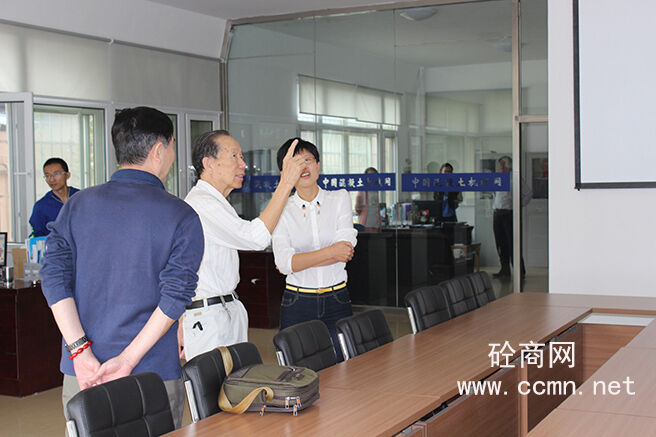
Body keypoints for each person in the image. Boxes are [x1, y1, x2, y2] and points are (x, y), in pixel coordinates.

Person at [40, 107, 204, 429]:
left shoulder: (76, 206)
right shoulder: (181, 216)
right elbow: (175, 297)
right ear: (159, 150)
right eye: (172, 146)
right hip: (151, 374)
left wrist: (80, 352)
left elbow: (54, 278)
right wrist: (127, 359)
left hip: (83, 373)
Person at [181, 130, 305, 360]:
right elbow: (255, 238)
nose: (243, 164)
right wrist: (286, 183)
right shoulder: (202, 204)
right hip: (209, 318)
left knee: (238, 381)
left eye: (242, 157)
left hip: (226, 310)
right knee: (215, 382)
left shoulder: (218, 202)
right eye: (234, 156)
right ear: (209, 164)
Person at [272, 138, 357, 362]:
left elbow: (345, 251)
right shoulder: (279, 210)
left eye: (308, 160)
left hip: (337, 299)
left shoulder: (339, 198)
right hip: (298, 302)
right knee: (298, 370)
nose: (303, 167)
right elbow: (284, 264)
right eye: (295, 163)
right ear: (285, 172)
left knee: (346, 368)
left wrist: (299, 261)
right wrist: (331, 253)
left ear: (318, 165)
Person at [492, 156, 532, 278]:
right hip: (497, 213)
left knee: (512, 243)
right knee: (500, 243)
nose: (500, 168)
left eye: (502, 165)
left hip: (509, 214)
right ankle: (504, 270)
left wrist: (517, 206)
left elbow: (528, 194)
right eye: (500, 165)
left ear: (508, 166)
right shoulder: (497, 179)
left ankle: (519, 271)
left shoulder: (515, 178)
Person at [29, 158, 80, 237]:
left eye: (56, 174)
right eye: (47, 175)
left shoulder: (80, 197)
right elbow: (36, 235)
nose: (51, 179)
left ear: (67, 175)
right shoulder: (41, 206)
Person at [355, 167, 381, 231]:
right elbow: (358, 209)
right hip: (366, 222)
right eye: (369, 175)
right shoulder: (362, 190)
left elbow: (377, 207)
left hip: (376, 222)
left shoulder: (377, 189)